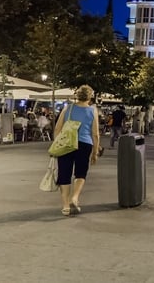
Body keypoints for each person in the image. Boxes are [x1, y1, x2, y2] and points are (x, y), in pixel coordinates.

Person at [53, 85, 99, 216]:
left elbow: (57, 128)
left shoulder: (68, 108)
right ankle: (75, 197)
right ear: (90, 97)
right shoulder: (93, 111)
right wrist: (95, 152)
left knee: (64, 174)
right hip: (85, 144)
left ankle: (65, 206)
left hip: (66, 143)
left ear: (77, 95)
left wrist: (58, 144)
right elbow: (95, 133)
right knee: (80, 173)